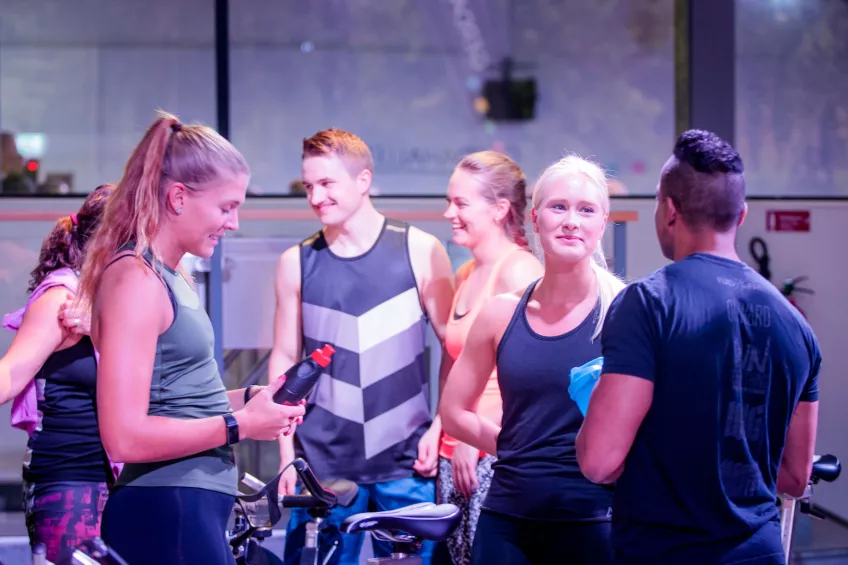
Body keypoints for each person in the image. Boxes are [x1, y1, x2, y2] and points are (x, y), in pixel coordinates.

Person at [575, 129, 820, 565]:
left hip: (664, 553)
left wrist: (594, 400)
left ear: (670, 211)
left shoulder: (648, 304)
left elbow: (599, 461)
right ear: (740, 216)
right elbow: (796, 478)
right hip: (758, 553)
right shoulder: (797, 326)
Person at [78, 112, 305, 565]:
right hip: (167, 509)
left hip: (188, 506)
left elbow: (175, 397)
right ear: (178, 197)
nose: (234, 223)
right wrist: (241, 425)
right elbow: (122, 435)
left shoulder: (168, 275)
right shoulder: (136, 280)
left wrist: (249, 398)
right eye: (226, 207)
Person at [270, 128, 455, 565]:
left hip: (407, 463)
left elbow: (456, 347)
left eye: (327, 183)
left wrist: (441, 426)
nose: (316, 197)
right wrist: (284, 453)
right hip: (322, 467)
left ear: (363, 181)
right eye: (309, 186)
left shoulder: (420, 249)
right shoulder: (296, 262)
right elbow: (283, 357)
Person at [440, 154, 624, 565]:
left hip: (594, 518)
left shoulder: (625, 312)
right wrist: (514, 446)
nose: (571, 220)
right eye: (559, 207)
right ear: (537, 218)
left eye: (586, 210)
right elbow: (453, 413)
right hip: (508, 519)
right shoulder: (500, 313)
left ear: (602, 224)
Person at [437, 151, 543, 565]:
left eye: (461, 203)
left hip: (490, 453)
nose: (449, 212)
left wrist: (472, 437)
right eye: (450, 201)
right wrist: (438, 428)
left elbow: (530, 374)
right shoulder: (465, 275)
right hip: (454, 453)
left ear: (500, 209)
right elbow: (459, 367)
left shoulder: (519, 271)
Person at [0, 184, 114, 563]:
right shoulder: (63, 299)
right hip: (71, 482)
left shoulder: (108, 304)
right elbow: (11, 374)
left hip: (117, 478)